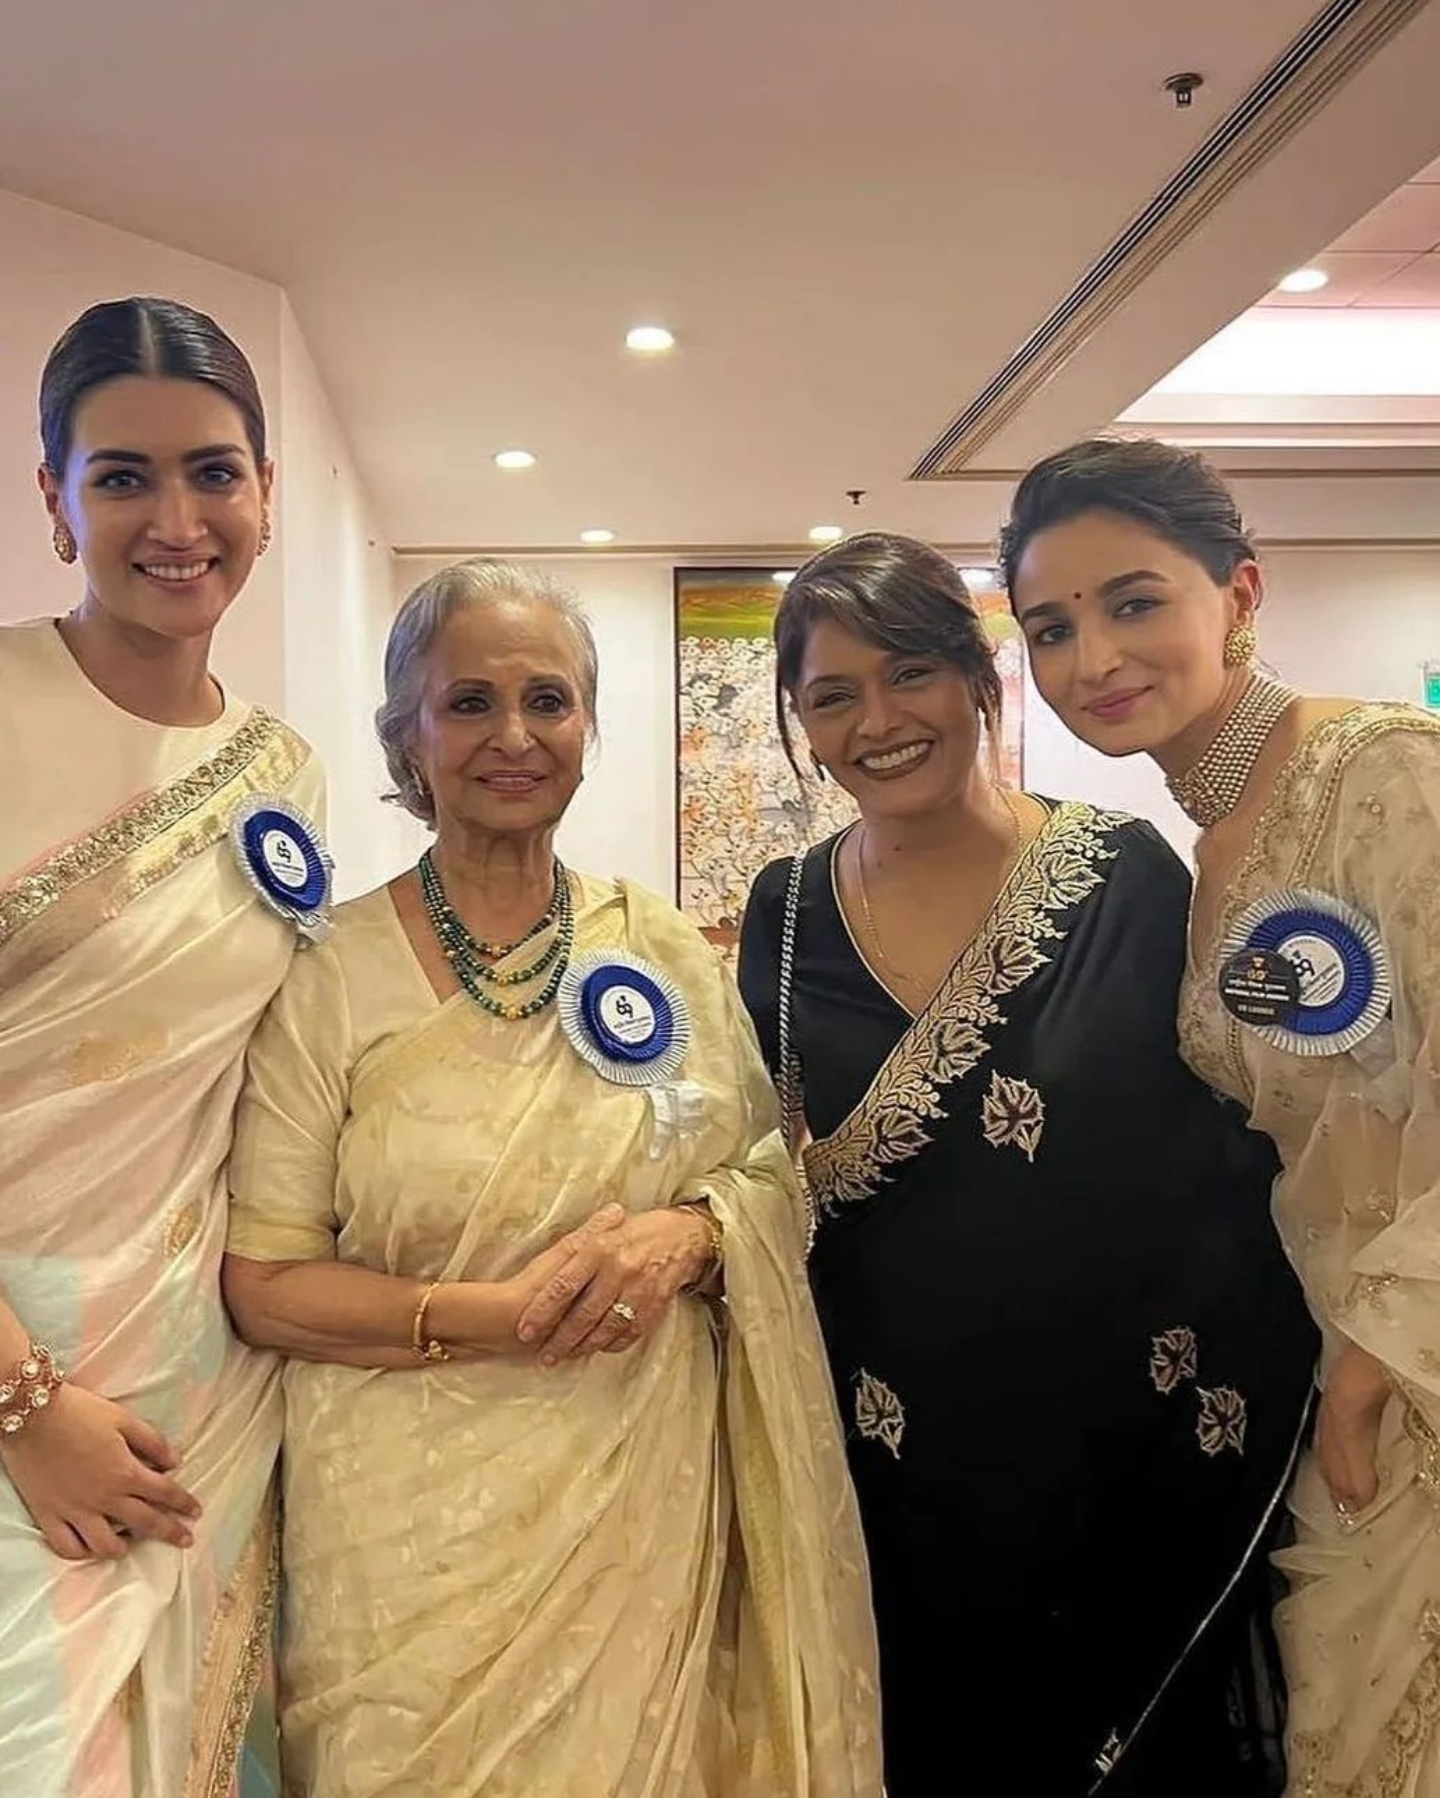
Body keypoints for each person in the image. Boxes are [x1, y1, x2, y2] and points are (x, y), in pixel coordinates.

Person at [220, 558, 881, 1798]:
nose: (513, 736)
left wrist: (688, 1238)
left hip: (636, 1495)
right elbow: (262, 1282)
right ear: (406, 736)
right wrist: (490, 1318)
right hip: (398, 1534)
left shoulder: (663, 947)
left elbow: (765, 1177)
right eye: (468, 703)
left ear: (587, 727)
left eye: (549, 700)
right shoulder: (329, 975)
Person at [736, 531, 1318, 1796]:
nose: (878, 722)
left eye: (911, 675)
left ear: (976, 675)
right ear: (801, 723)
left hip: (1137, 1452)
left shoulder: (1124, 877)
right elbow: (751, 1169)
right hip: (898, 1467)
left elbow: (1230, 1139)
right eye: (832, 696)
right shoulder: (785, 916)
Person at [1001, 436, 1440, 1796]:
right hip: (1345, 1372)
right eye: (1051, 627)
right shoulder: (1199, 852)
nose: (1093, 658)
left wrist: (1382, 1346)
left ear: (1239, 597)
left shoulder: (1385, 772)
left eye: (1135, 601)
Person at [0, 298, 326, 1796]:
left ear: (266, 493)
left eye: (215, 471)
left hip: (203, 1375)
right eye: (122, 475)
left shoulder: (283, 772)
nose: (177, 518)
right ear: (55, 502)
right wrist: (22, 1405)